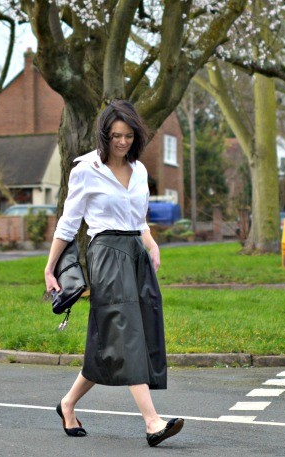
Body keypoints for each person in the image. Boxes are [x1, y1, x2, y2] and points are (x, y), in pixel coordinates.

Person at [44, 100, 184, 447]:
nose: (121, 141)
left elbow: (139, 219)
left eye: (128, 135)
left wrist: (151, 243)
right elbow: (69, 222)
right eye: (115, 136)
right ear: (104, 136)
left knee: (114, 340)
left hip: (136, 253)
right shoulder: (85, 169)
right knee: (127, 332)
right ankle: (152, 422)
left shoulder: (138, 171)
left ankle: (67, 404)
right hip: (106, 254)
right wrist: (50, 267)